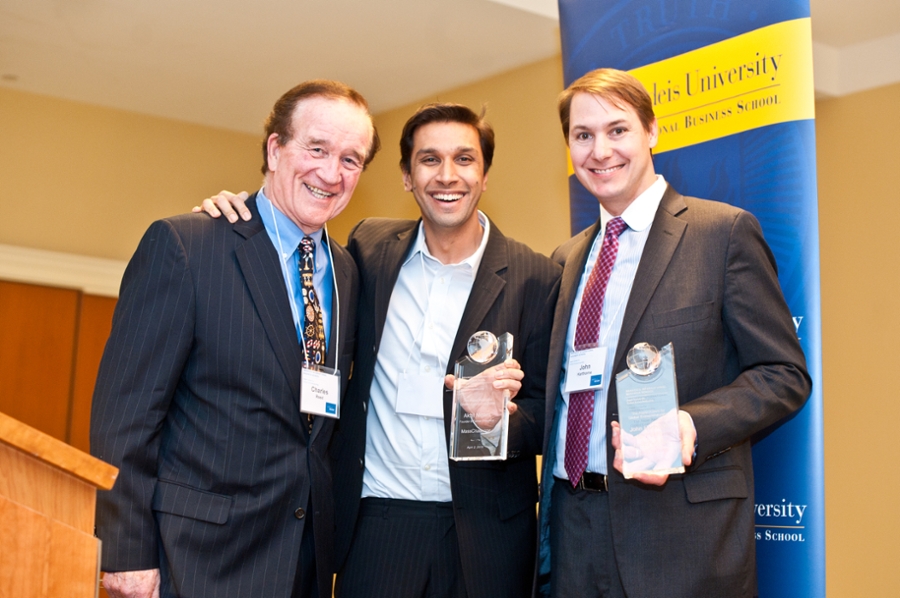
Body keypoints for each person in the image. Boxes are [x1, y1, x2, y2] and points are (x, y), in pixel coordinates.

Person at [199, 103, 561, 598]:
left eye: (464, 159)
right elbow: (290, 235)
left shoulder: (535, 277)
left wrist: (499, 420)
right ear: (407, 177)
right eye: (429, 160)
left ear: (485, 174)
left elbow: (549, 413)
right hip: (376, 523)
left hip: (484, 536)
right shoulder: (367, 250)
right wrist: (233, 210)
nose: (447, 176)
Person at [91, 79, 379, 598]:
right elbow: (125, 419)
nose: (332, 173)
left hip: (301, 563)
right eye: (317, 149)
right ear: (275, 149)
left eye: (351, 159)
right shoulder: (187, 246)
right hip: (194, 559)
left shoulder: (344, 272)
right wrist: (125, 550)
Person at [536, 68, 811, 598]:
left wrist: (690, 423)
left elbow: (784, 374)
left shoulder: (722, 232)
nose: (600, 151)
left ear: (652, 132)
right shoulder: (567, 259)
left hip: (680, 540)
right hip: (573, 529)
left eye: (618, 130)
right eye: (582, 135)